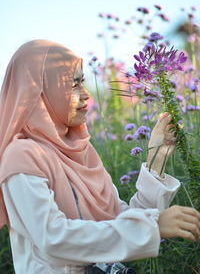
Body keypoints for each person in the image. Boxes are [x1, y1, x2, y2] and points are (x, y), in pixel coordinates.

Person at [0, 39, 199, 274]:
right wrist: (152, 228)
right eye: (72, 85)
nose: (85, 95)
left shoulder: (82, 151)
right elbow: (53, 237)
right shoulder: (22, 155)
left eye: (82, 82)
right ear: (40, 91)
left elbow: (119, 217)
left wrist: (158, 155)